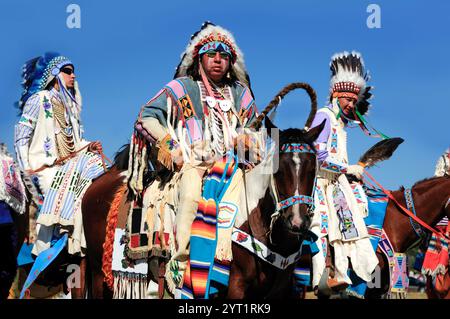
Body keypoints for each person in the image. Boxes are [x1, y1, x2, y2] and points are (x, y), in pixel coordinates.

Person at [131, 22, 259, 292]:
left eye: (224, 56)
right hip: (192, 164)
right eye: (212, 54)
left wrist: (246, 139)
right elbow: (146, 117)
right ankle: (183, 260)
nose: (218, 60)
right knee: (191, 193)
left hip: (232, 168)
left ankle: (238, 263)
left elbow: (256, 128)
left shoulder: (240, 93)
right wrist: (172, 148)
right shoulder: (182, 88)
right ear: (199, 58)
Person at [14, 52, 105, 258]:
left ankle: (78, 241)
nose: (73, 76)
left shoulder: (70, 108)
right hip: (43, 168)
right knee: (60, 188)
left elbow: (74, 142)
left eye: (74, 72)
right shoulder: (38, 100)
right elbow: (21, 134)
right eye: (68, 71)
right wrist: (26, 167)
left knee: (96, 173)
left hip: (69, 164)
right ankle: (47, 245)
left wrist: (89, 146)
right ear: (55, 74)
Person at [309, 51, 380, 292]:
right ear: (334, 94)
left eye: (354, 100)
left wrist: (350, 174)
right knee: (322, 225)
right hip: (319, 183)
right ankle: (321, 276)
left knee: (351, 225)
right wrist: (347, 168)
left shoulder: (340, 124)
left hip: (337, 184)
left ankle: (342, 274)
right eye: (347, 99)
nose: (351, 104)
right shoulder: (324, 116)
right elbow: (318, 157)